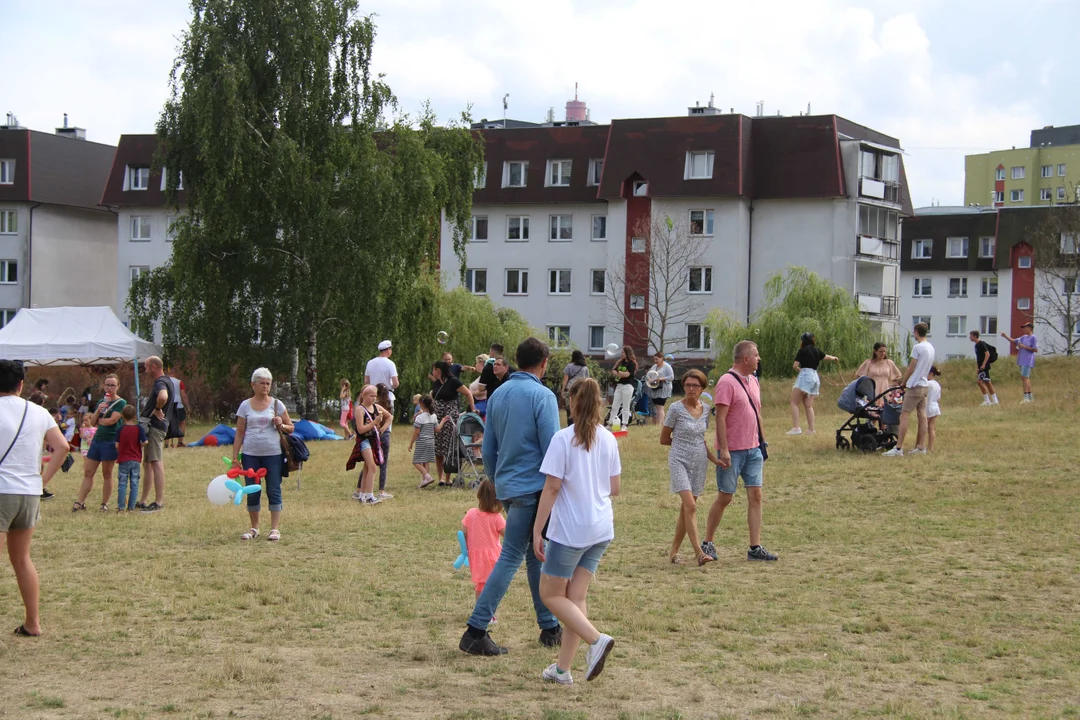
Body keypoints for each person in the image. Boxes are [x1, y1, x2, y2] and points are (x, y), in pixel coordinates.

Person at [459, 337, 562, 656]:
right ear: (544, 363)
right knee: (512, 557)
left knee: (535, 555)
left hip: (509, 486)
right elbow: (553, 450)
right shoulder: (543, 396)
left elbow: (487, 447)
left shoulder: (499, 393)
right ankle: (476, 629)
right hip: (534, 488)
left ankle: (549, 627)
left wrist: (498, 481)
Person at [533, 377, 620, 684]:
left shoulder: (562, 439)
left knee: (550, 595)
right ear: (599, 404)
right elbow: (615, 488)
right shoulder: (609, 438)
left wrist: (537, 530)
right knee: (575, 597)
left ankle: (596, 640)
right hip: (600, 529)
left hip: (571, 531)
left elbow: (552, 487)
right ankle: (562, 670)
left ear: (571, 403)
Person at [0, 359, 70, 637]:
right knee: (22, 559)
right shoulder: (39, 412)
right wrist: (42, 482)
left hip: (1, 489)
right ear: (21, 385)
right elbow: (62, 447)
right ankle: (33, 622)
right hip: (28, 492)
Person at [701, 340, 778, 562]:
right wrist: (723, 449)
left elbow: (757, 413)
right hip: (732, 450)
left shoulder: (754, 380)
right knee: (725, 497)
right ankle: (708, 543)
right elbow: (721, 418)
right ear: (746, 358)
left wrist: (762, 440)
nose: (759, 359)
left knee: (756, 495)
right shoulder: (726, 382)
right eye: (756, 355)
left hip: (753, 448)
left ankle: (755, 547)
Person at [661, 369, 717, 567]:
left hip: (699, 462)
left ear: (702, 388)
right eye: (687, 385)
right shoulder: (675, 409)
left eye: (695, 385)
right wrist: (681, 447)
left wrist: (714, 459)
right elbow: (664, 438)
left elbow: (701, 440)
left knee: (686, 509)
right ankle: (699, 553)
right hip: (679, 460)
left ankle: (674, 553)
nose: (691, 389)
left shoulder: (707, 409)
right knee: (691, 506)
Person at [232, 368, 293, 539]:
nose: (265, 386)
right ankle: (254, 528)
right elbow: (239, 433)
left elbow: (291, 427)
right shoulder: (245, 405)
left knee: (273, 488)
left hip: (273, 454)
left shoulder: (277, 404)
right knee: (252, 490)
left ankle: (274, 528)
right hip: (251, 454)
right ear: (253, 385)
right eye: (262, 383)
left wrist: (281, 424)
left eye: (268, 383)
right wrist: (235, 457)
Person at [72, 374, 125, 512]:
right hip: (97, 440)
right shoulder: (102, 401)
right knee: (88, 472)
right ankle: (80, 502)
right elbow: (93, 421)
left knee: (107, 473)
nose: (109, 387)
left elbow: (111, 421)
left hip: (111, 441)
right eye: (107, 384)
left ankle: (104, 503)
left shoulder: (121, 403)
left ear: (118, 386)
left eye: (113, 385)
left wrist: (101, 421)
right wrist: (98, 410)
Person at [883, 322, 935, 457]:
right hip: (924, 384)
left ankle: (898, 448)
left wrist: (904, 383)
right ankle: (921, 447)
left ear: (916, 332)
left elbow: (911, 367)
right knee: (922, 415)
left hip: (915, 385)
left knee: (904, 414)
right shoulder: (930, 347)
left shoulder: (918, 347)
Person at [462, 479, 506, 623]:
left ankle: (480, 610)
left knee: (480, 585)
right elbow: (507, 535)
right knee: (492, 586)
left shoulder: (471, 513)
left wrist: (465, 550)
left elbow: (463, 533)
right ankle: (488, 613)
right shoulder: (497, 518)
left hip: (475, 556)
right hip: (492, 556)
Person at [136, 357, 172, 513]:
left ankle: (158, 502)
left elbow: (163, 397)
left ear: (153, 366)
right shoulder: (167, 380)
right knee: (148, 463)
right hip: (155, 427)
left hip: (155, 427)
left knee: (156, 462)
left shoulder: (160, 382)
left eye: (146, 367)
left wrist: (157, 409)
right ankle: (143, 500)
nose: (145, 370)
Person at [431, 360, 475, 486]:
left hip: (449, 414)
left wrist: (472, 409)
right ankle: (440, 477)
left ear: (438, 370)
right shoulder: (436, 383)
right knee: (438, 446)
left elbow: (468, 394)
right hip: (438, 414)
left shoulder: (453, 381)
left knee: (449, 445)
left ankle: (448, 476)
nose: (432, 372)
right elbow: (434, 397)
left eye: (433, 369)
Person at [787, 332, 838, 435]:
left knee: (794, 402)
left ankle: (796, 428)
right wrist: (834, 358)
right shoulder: (816, 350)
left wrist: (798, 369)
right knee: (808, 405)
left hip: (805, 376)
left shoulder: (802, 351)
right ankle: (811, 429)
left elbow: (795, 365)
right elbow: (825, 356)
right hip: (815, 377)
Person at [347, 384, 390, 505]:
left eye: (375, 396)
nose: (374, 398)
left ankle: (362, 495)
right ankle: (370, 497)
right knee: (372, 466)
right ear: (364, 395)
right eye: (371, 396)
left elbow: (389, 417)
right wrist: (375, 422)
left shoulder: (376, 407)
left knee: (367, 467)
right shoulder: (360, 410)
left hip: (374, 440)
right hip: (363, 441)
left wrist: (381, 429)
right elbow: (360, 429)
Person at [115, 405, 147, 512]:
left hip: (123, 458)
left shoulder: (120, 429)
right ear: (135, 416)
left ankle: (121, 507)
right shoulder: (139, 429)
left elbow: (117, 445)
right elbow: (145, 441)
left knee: (122, 483)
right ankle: (132, 507)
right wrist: (139, 446)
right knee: (134, 483)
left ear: (122, 416)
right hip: (135, 459)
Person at [409, 395, 444, 489]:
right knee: (426, 461)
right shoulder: (434, 416)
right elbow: (437, 429)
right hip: (431, 441)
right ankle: (424, 481)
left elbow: (416, 432)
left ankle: (427, 476)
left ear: (421, 404)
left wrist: (411, 443)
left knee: (416, 461)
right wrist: (443, 421)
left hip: (422, 441)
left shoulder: (419, 417)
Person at [1001, 323, 1037, 403]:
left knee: (1025, 377)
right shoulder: (1023, 337)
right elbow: (1014, 341)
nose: (1023, 329)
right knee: (1025, 377)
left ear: (1030, 328)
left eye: (1025, 327)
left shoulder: (1033, 337)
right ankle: (1030, 396)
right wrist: (1005, 336)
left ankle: (1026, 397)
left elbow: (1035, 349)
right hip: (1021, 360)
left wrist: (1025, 347)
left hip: (1027, 360)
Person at [364, 340, 399, 411]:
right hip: (387, 395)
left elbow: (366, 382)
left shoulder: (370, 363)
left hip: (374, 395)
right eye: (390, 349)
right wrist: (391, 385)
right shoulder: (390, 364)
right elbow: (395, 384)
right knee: (388, 418)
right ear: (388, 350)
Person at [374, 383, 394, 500]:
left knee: (369, 463)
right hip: (385, 434)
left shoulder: (374, 406)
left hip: (375, 434)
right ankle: (381, 490)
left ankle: (360, 488)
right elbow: (390, 418)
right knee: (383, 464)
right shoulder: (388, 404)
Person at [560, 350, 591, 426]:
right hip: (581, 389)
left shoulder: (569, 366)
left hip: (570, 388)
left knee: (569, 407)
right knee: (580, 407)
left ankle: (570, 424)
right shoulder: (584, 367)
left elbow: (565, 379)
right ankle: (580, 424)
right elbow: (587, 379)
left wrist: (563, 390)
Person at [609, 346, 637, 429]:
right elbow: (613, 371)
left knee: (625, 406)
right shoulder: (620, 362)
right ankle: (610, 423)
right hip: (619, 385)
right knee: (615, 406)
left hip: (628, 386)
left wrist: (618, 373)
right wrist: (619, 373)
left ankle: (624, 424)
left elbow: (627, 374)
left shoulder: (632, 363)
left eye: (623, 352)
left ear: (627, 353)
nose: (621, 354)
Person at [969, 330, 999, 406]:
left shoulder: (981, 344)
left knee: (980, 382)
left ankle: (987, 400)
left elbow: (987, 354)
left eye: (971, 336)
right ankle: (994, 400)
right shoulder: (976, 345)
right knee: (987, 382)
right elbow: (979, 357)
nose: (970, 337)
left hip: (984, 367)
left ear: (975, 336)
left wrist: (983, 365)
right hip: (981, 367)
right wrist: (978, 367)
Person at [646, 351, 675, 427]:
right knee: (657, 406)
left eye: (657, 359)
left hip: (664, 389)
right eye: (654, 359)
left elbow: (671, 377)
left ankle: (659, 424)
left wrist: (661, 379)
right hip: (655, 389)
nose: (655, 361)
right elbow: (649, 374)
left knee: (660, 406)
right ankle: (660, 423)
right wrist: (649, 379)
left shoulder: (667, 366)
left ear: (662, 358)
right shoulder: (654, 366)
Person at [165, 369, 189, 448]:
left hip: (168, 405)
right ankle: (180, 442)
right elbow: (184, 395)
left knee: (167, 423)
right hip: (178, 405)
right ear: (175, 373)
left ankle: (166, 443)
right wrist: (188, 406)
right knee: (182, 422)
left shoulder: (164, 381)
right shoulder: (179, 382)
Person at [926, 366, 942, 453]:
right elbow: (938, 398)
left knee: (924, 427)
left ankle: (920, 446)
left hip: (928, 407)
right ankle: (930, 447)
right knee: (931, 428)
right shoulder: (937, 384)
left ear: (931, 374)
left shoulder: (928, 384)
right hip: (935, 407)